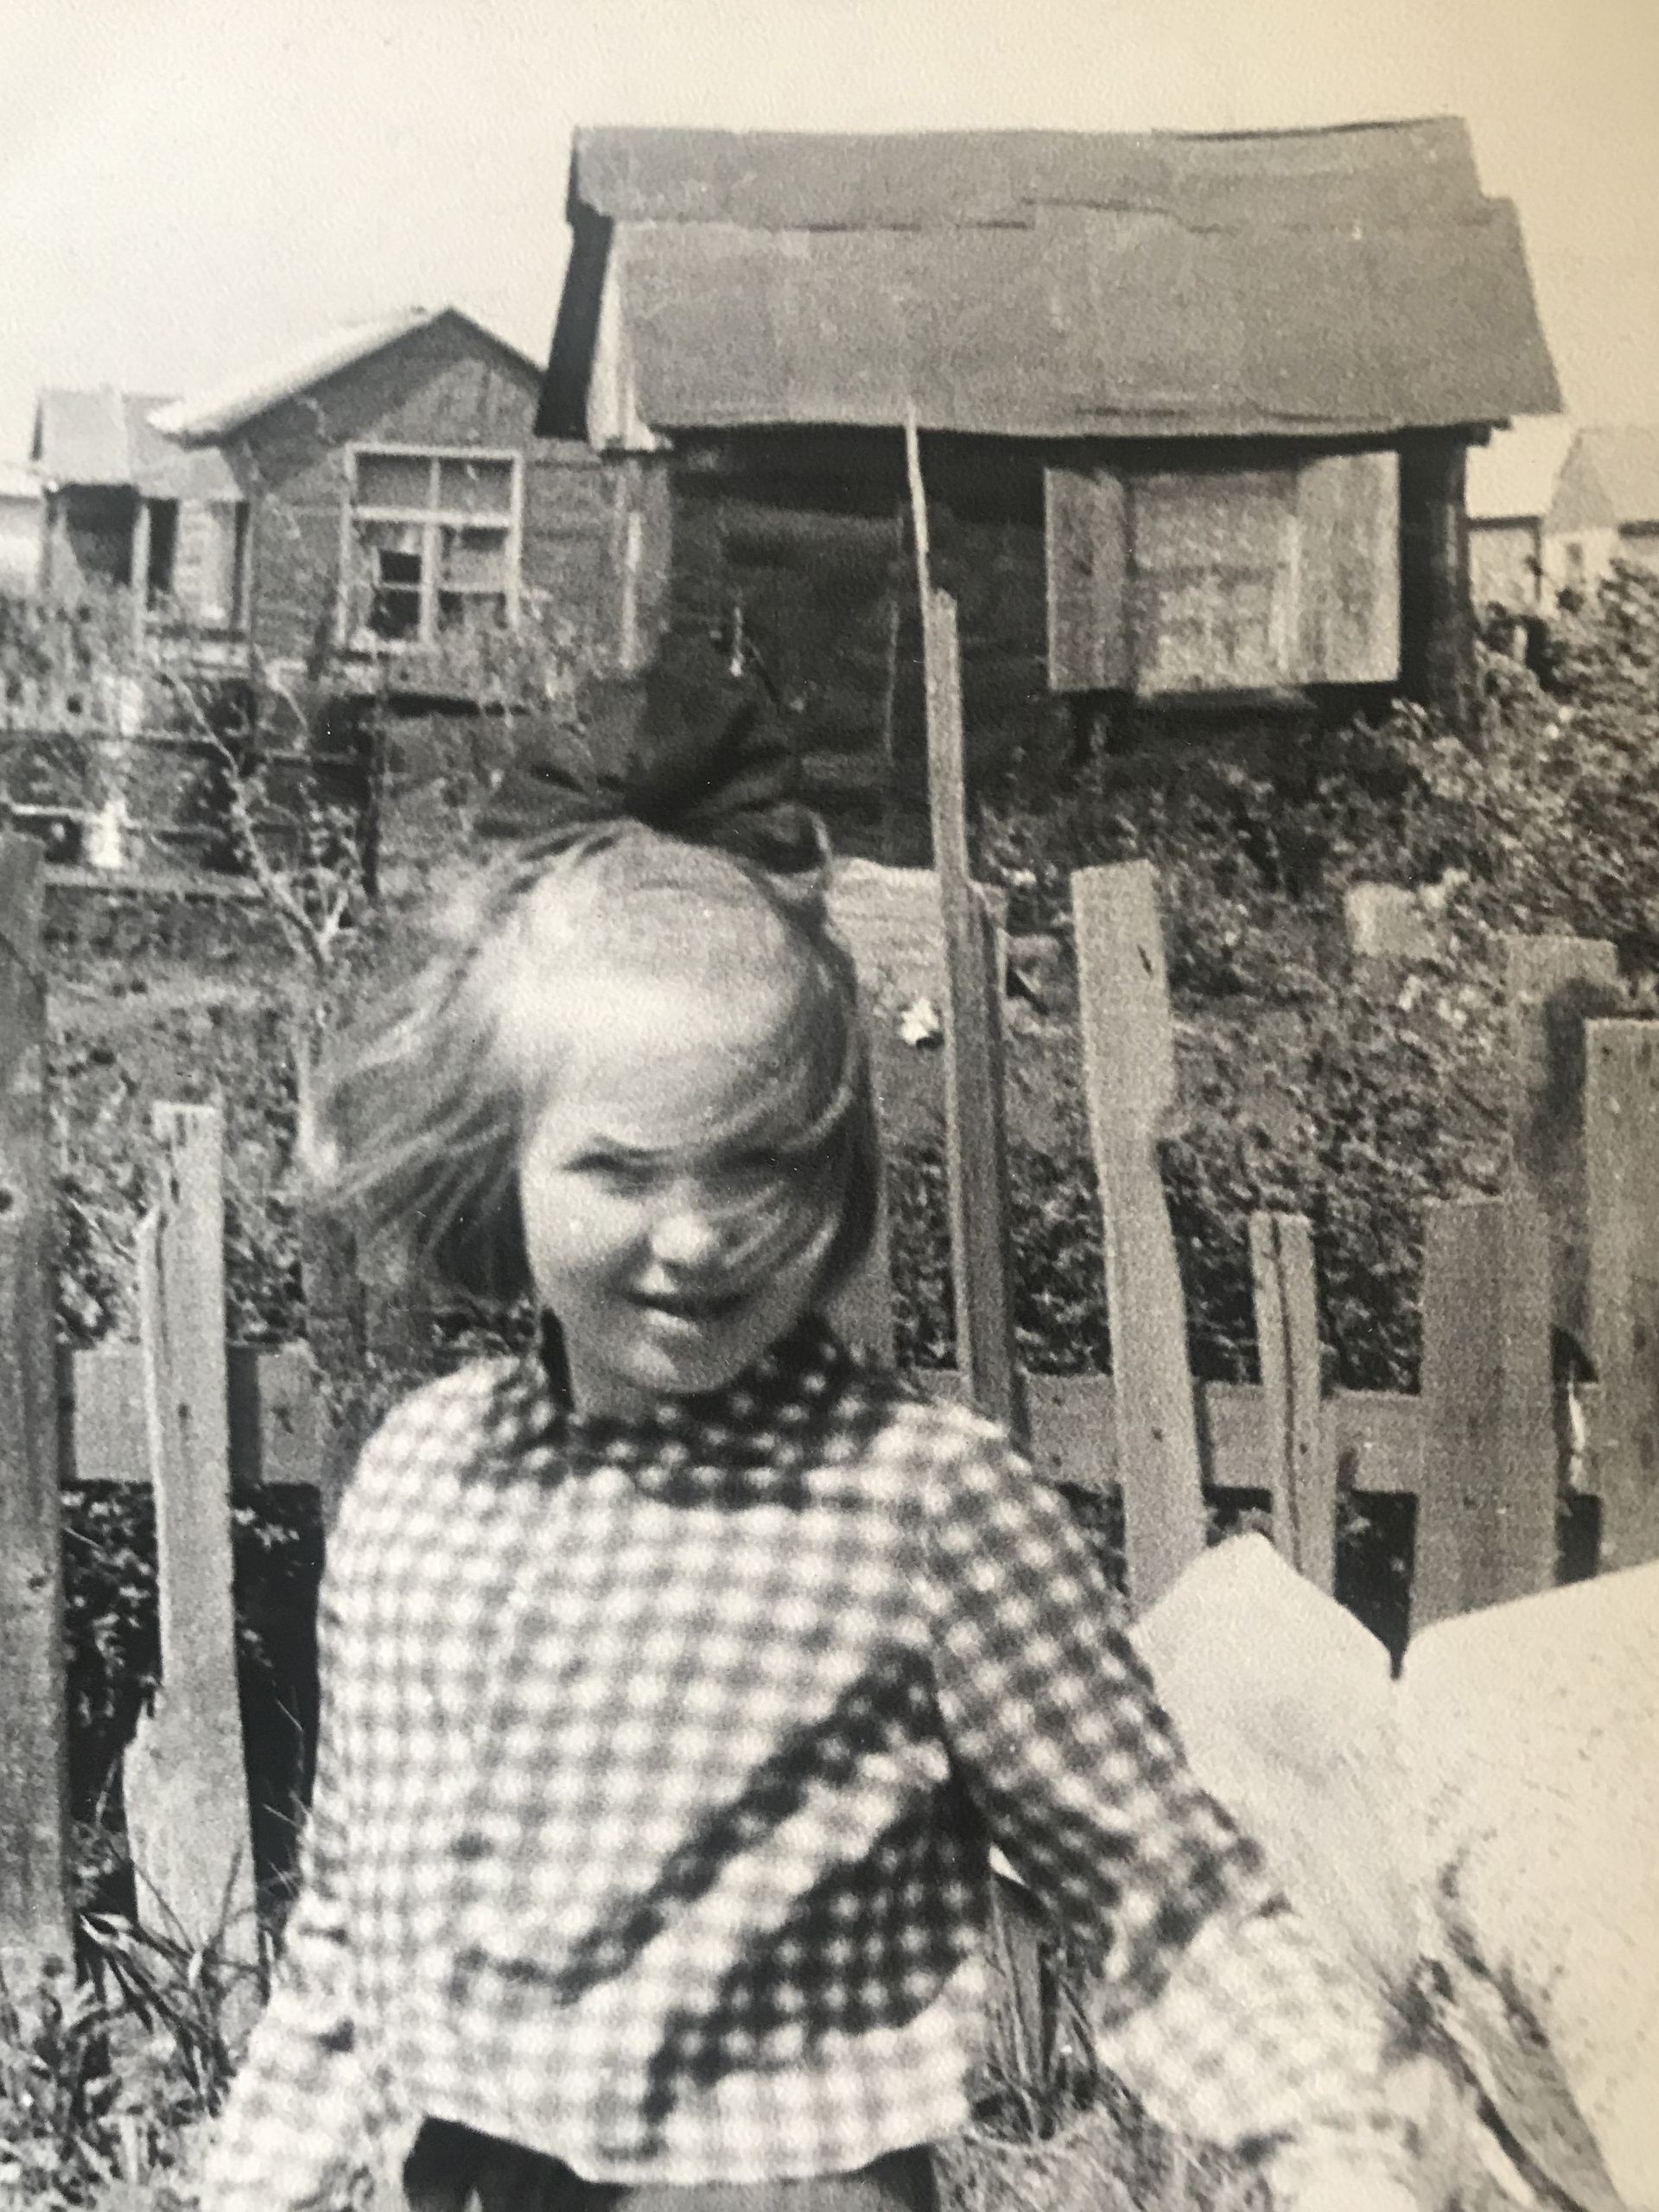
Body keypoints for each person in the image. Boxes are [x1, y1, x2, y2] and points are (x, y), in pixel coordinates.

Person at [202, 648, 1426, 2212]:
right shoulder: (431, 1481)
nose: (698, 1237)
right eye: (624, 1172)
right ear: (495, 1162)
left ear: (836, 1167)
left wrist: (1357, 2156)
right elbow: (350, 1955)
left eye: (757, 1166)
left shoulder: (920, 1505)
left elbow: (1160, 1903)